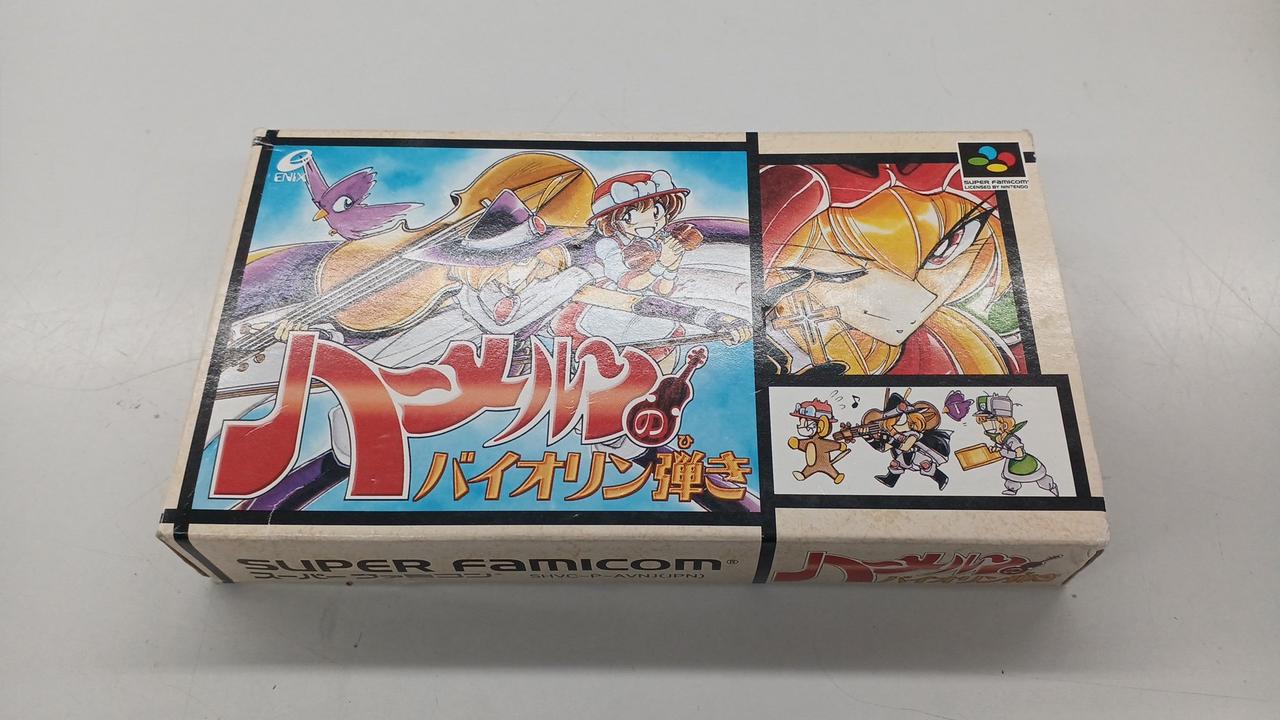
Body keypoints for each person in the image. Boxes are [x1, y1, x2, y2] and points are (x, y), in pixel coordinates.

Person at [975, 393, 1059, 496]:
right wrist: (996, 449)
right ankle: (1012, 490)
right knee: (1011, 478)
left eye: (989, 422)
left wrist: (1003, 452)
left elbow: (1020, 454)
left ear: (1004, 424)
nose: (986, 426)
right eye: (984, 423)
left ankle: (1051, 487)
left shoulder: (1012, 439)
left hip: (1023, 462)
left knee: (1039, 477)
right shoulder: (1000, 437)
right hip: (1012, 463)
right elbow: (1001, 447)